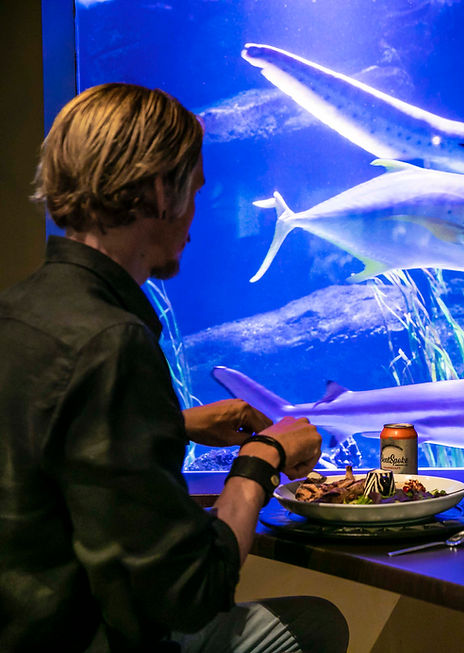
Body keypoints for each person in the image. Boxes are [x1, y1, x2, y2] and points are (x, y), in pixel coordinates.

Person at [0, 83, 348, 652]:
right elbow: (191, 591)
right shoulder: (112, 341)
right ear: (162, 191)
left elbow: (40, 438)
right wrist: (260, 462)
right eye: (195, 194)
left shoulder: (15, 311)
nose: (193, 218)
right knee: (311, 628)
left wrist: (171, 424)